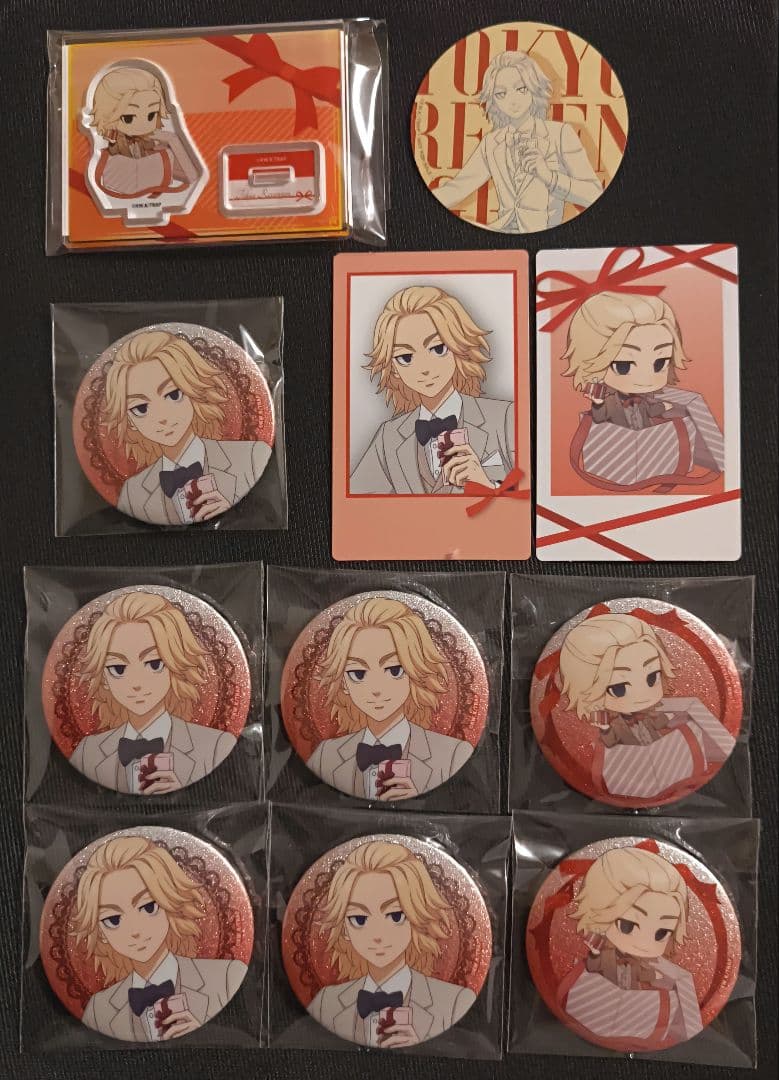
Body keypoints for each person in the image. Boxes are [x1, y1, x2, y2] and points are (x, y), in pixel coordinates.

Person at [71, 835, 246, 1041]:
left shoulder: (226, 977)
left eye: (148, 907)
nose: (135, 930)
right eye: (113, 920)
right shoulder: (98, 1008)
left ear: (170, 904)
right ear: (101, 933)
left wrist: (205, 1037)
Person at [308, 839, 476, 1047]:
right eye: (359, 919)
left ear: (417, 918)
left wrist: (421, 1047)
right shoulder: (325, 1002)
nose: (377, 935)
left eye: (396, 916)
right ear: (344, 929)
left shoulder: (455, 1001)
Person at [350, 286, 514, 494]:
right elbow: (353, 503)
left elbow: (532, 496)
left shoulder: (505, 417)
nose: (424, 368)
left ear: (458, 347)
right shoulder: (388, 437)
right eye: (406, 357)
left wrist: (488, 487)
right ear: (394, 369)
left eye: (438, 348)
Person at [307, 596, 473, 799]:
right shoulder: (325, 755)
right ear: (343, 683)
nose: (376, 689)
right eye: (358, 673)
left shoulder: (453, 755)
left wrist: (418, 804)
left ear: (415, 672)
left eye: (394, 670)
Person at [70, 591, 237, 793]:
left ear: (176, 666)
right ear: (103, 678)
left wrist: (186, 796)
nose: (136, 683)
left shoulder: (216, 746)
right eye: (118, 669)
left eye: (154, 664)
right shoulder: (87, 751)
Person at [558, 613, 735, 801]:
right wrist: (605, 728)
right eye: (618, 688)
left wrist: (677, 720)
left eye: (652, 677)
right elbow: (609, 740)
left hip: (669, 765)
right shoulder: (614, 723)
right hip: (630, 774)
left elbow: (662, 724)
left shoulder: (651, 714)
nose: (642, 696)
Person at [101, 330, 270, 524]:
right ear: (129, 420)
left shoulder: (251, 457)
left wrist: (235, 516)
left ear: (194, 390)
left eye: (173, 395)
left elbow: (267, 515)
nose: (162, 417)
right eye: (141, 408)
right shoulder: (133, 491)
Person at [436, 50, 602, 233]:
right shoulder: (491, 143)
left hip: (547, 235)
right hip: (500, 234)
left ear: (534, 88)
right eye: (501, 94)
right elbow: (457, 188)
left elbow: (594, 194)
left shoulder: (560, 134)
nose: (512, 101)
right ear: (493, 99)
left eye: (521, 89)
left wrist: (549, 177)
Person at [561, 845, 703, 1045]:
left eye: (661, 933)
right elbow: (597, 1022)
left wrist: (682, 981)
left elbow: (692, 1034)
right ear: (600, 913)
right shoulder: (588, 974)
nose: (644, 944)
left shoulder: (660, 978)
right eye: (627, 925)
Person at [84, 63, 201, 200]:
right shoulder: (112, 144)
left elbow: (191, 177)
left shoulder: (154, 146)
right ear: (107, 114)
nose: (142, 125)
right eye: (128, 118)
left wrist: (173, 140)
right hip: (117, 192)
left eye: (151, 115)